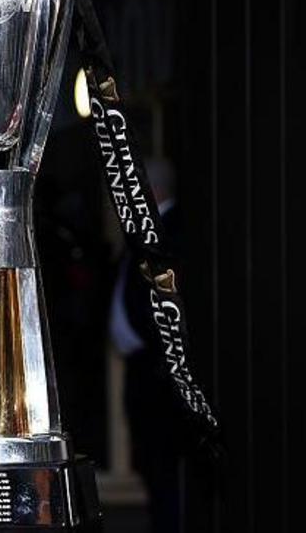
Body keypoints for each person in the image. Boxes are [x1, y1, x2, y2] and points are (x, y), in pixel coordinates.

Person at [108, 157, 184, 533]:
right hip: (143, 369)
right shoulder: (144, 234)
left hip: (159, 371)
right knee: (153, 467)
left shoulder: (169, 233)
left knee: (164, 467)